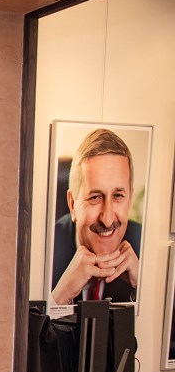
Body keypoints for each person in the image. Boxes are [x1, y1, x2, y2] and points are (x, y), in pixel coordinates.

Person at [50, 128, 140, 305]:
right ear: (72, 204)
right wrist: (59, 297)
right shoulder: (42, 251)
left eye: (118, 196)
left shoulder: (147, 248)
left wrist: (143, 289)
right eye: (95, 197)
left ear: (129, 200)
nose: (107, 220)